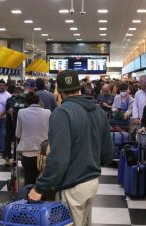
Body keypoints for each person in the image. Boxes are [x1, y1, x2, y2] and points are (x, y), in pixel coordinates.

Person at [28, 70, 112, 226]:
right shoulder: (99, 111)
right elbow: (107, 154)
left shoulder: (62, 113)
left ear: (58, 91)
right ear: (79, 87)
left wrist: (39, 188)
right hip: (92, 182)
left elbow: (59, 159)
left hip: (72, 185)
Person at [16, 92, 51, 185]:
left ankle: (29, 198)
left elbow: (18, 134)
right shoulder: (48, 112)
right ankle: (42, 198)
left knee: (29, 180)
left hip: (28, 152)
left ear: (26, 102)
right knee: (43, 181)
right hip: (44, 153)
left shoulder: (21, 112)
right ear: (39, 101)